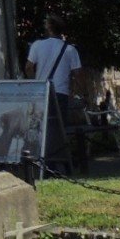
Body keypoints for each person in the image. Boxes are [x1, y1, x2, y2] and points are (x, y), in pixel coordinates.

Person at [27, 14, 82, 163]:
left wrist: (35, 82)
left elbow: (29, 67)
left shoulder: (37, 45)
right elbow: (77, 74)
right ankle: (58, 160)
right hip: (60, 92)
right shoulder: (70, 49)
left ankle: (41, 159)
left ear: (49, 28)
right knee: (59, 129)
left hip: (41, 91)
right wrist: (74, 91)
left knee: (40, 126)